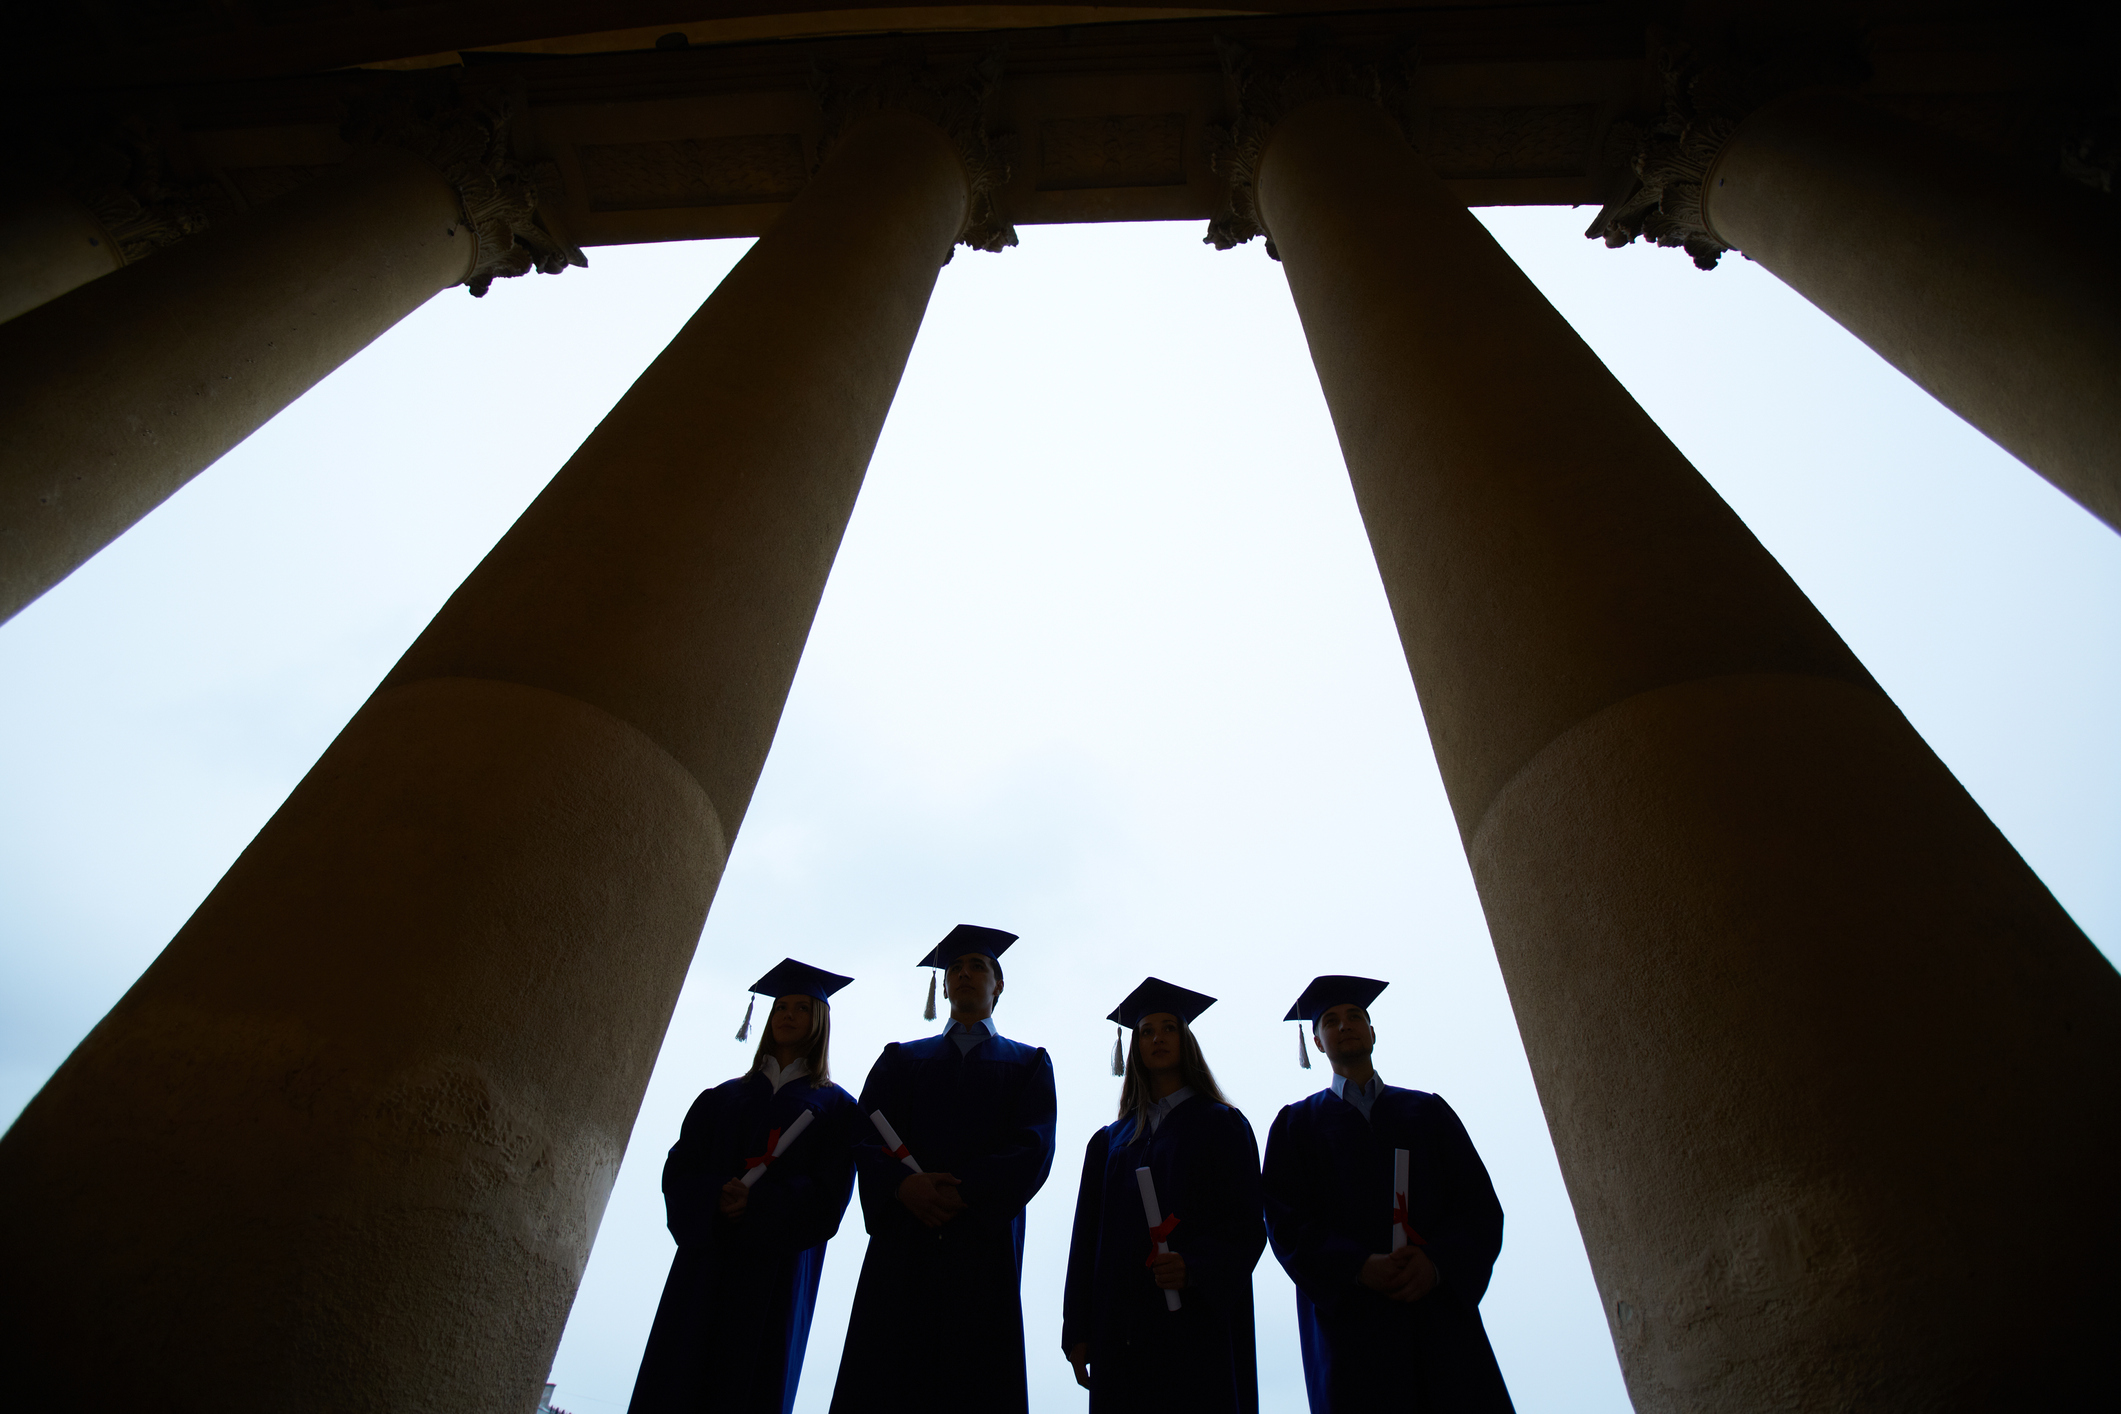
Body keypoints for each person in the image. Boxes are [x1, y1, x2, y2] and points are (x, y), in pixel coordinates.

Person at [830, 925, 1058, 1414]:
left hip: (982, 1246)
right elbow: (867, 1135)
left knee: (973, 1379)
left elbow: (1033, 1147)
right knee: (886, 1374)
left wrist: (965, 1191)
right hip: (903, 1245)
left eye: (979, 966)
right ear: (944, 986)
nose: (965, 974)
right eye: (955, 967)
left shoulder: (1028, 1064)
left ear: (999, 985)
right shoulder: (901, 1059)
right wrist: (902, 1186)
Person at [1262, 975, 1514, 1413]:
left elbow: (1478, 1208)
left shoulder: (1427, 1111)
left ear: (1373, 1032)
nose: (1345, 1025)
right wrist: (1357, 1266)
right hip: (1353, 1328)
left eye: (1356, 1016)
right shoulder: (1296, 1126)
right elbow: (1285, 1224)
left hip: (1436, 1317)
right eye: (1331, 1020)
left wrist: (1437, 1264)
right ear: (1318, 1042)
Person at [628, 960, 859, 1414]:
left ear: (819, 1021)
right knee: (681, 1375)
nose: (787, 1015)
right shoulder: (722, 1098)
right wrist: (718, 1198)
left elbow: (829, 1199)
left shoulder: (836, 1109)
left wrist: (760, 1203)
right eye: (780, 1007)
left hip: (775, 1272)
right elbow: (679, 1172)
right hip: (707, 1261)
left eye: (801, 1007)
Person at [1062, 977, 1265, 1414]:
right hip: (1123, 1326)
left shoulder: (1223, 1125)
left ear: (1185, 1040)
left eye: (1169, 1028)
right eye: (1146, 1030)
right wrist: (1077, 1329)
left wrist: (1194, 1267)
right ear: (1134, 1047)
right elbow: (1086, 1242)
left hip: (1196, 1323)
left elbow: (1246, 1225)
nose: (1157, 1038)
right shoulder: (1109, 1143)